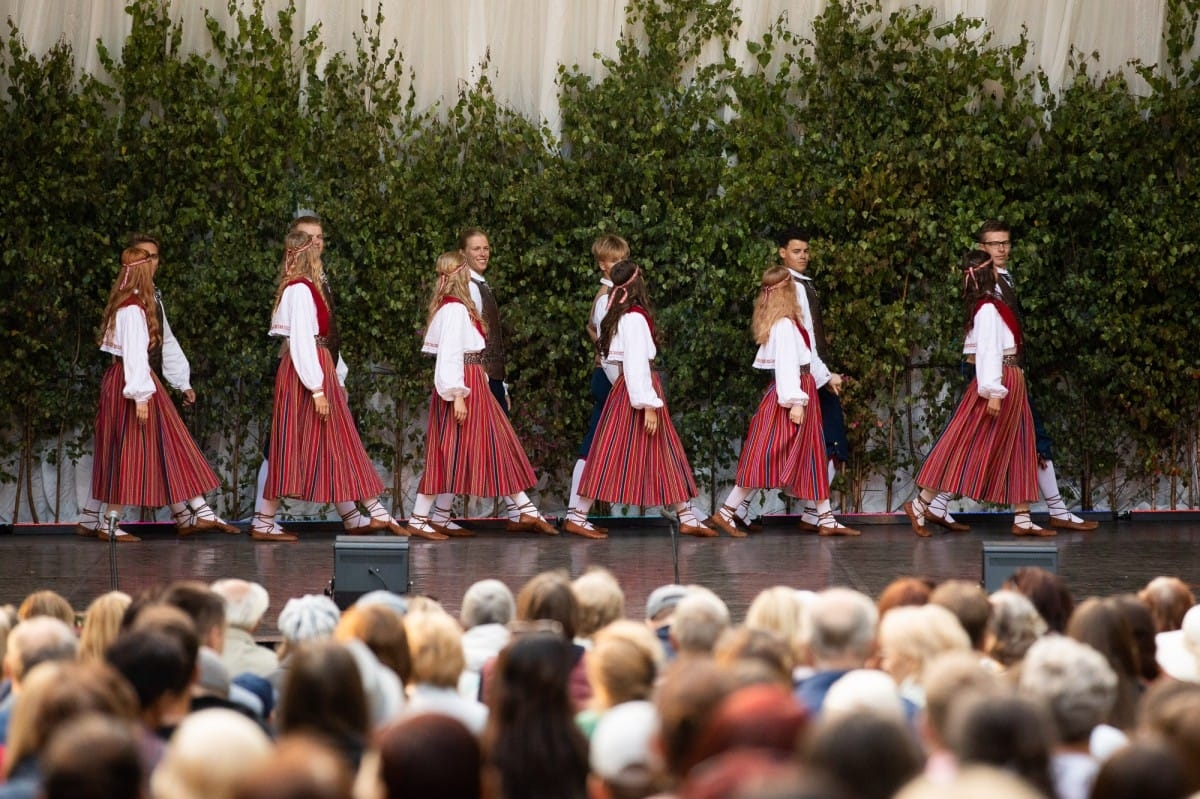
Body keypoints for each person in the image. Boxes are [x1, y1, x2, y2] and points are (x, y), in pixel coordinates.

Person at [925, 221, 1098, 533]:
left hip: (1005, 373)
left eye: (1005, 243)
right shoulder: (988, 288)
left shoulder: (1002, 281)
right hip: (999, 375)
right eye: (994, 244)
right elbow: (986, 335)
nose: (1001, 249)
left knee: (1000, 440)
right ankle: (929, 502)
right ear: (982, 250)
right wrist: (993, 381)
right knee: (1003, 440)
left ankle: (935, 503)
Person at [75, 233, 238, 541]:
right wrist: (139, 396)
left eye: (154, 258)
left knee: (160, 443)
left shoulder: (138, 301)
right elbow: (135, 352)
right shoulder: (133, 307)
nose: (152, 264)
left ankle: (194, 511)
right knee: (132, 450)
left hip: (133, 380)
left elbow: (167, 341)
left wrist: (180, 381)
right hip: (133, 381)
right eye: (146, 259)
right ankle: (110, 521)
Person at [254, 230, 405, 541]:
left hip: (318, 366)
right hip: (307, 371)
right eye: (315, 247)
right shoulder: (299, 290)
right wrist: (317, 388)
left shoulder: (308, 287)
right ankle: (371, 509)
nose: (320, 251)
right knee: (302, 441)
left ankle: (361, 512)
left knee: (328, 440)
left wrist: (331, 377)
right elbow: (301, 342)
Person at [403, 251, 557, 539]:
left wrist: (480, 382)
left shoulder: (457, 307)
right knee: (458, 448)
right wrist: (457, 394)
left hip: (472, 381)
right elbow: (450, 355)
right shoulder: (454, 310)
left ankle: (436, 515)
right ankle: (420, 517)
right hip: (463, 384)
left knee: (478, 446)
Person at [707, 266, 859, 538]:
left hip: (799, 391)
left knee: (808, 454)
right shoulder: (785, 326)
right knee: (765, 455)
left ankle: (824, 518)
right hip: (792, 395)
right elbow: (788, 366)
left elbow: (807, 358)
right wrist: (796, 402)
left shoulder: (788, 322)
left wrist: (824, 378)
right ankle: (728, 512)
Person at [564, 260, 711, 539]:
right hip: (636, 392)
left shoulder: (624, 314)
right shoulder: (633, 317)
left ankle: (686, 514)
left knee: (656, 450)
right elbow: (635, 364)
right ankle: (578, 514)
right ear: (636, 283)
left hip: (629, 390)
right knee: (610, 453)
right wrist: (647, 405)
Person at [903, 250, 1044, 537]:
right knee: (966, 441)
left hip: (1008, 377)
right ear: (988, 273)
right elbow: (989, 350)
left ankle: (1022, 516)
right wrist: (993, 390)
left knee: (1019, 442)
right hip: (1001, 379)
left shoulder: (988, 305)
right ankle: (921, 503)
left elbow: (975, 351)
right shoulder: (990, 308)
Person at [426, 227, 533, 533]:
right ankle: (521, 509)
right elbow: (466, 344)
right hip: (473, 378)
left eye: (486, 248)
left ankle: (441, 514)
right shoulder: (466, 291)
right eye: (476, 249)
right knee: (489, 442)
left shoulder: (480, 286)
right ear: (462, 255)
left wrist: (500, 381)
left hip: (484, 376)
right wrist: (478, 383)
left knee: (475, 445)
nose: (483, 253)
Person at [775, 228, 852, 533]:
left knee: (808, 442)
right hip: (803, 376)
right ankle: (735, 508)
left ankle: (813, 511)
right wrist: (821, 375)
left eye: (806, 251)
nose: (803, 256)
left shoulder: (801, 285)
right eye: (796, 251)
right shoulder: (789, 288)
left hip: (809, 373)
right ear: (782, 252)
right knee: (798, 442)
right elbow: (801, 342)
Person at [567, 234, 628, 527]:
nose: (620, 265)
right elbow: (607, 346)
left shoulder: (613, 296)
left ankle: (575, 512)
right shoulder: (607, 299)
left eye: (623, 260)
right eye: (615, 261)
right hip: (610, 377)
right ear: (603, 265)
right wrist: (620, 382)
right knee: (595, 445)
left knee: (596, 443)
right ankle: (575, 512)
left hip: (610, 376)